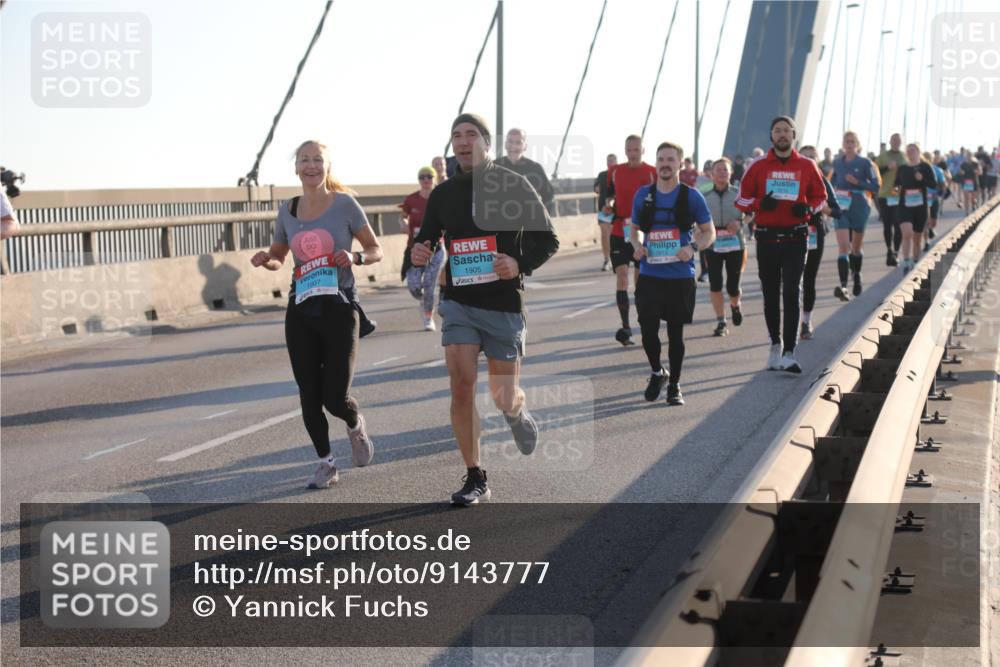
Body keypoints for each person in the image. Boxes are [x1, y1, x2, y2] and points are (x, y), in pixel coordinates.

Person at [411, 113, 559, 505]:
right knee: (461, 385)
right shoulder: (443, 194)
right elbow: (427, 240)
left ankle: (516, 413)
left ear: (486, 144)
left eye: (471, 135)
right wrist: (420, 250)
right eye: (456, 136)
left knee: (502, 394)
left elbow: (548, 239)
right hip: (459, 301)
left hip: (503, 303)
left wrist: (518, 264)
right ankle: (476, 475)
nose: (462, 142)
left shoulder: (513, 183)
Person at [250, 139, 382, 489]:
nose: (311, 165)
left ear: (327, 166)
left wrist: (355, 258)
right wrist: (268, 259)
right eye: (304, 160)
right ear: (296, 168)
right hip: (302, 308)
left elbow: (375, 249)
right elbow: (280, 254)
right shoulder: (287, 210)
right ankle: (326, 463)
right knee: (308, 392)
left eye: (317, 160)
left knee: (334, 397)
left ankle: (354, 424)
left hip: (339, 308)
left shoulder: (345, 205)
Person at [736, 116, 827, 373]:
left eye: (786, 130)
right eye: (777, 130)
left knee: (791, 290)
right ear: (771, 136)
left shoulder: (807, 165)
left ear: (794, 135)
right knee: (771, 294)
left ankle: (789, 352)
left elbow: (821, 197)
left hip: (796, 237)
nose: (782, 134)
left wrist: (807, 208)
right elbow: (740, 200)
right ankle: (775, 346)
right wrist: (758, 205)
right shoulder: (758, 165)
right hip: (766, 237)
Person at [631, 142, 715, 405]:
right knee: (647, 330)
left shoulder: (692, 196)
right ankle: (658, 371)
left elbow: (709, 232)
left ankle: (675, 385)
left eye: (670, 159)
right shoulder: (643, 195)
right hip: (650, 273)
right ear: (655, 164)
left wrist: (692, 247)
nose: (665, 164)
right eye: (660, 159)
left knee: (675, 334)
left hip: (679, 275)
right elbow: (633, 229)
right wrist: (635, 246)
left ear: (680, 164)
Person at [607, 135, 657, 346]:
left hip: (642, 232)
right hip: (619, 230)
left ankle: (644, 321)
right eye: (629, 150)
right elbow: (608, 194)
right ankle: (626, 327)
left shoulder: (651, 172)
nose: (632, 153)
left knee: (640, 281)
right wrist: (608, 203)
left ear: (643, 150)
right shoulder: (615, 170)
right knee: (621, 276)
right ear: (625, 150)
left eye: (636, 149)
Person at [829, 130, 881, 300]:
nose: (849, 144)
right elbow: (831, 184)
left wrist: (858, 182)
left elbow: (876, 187)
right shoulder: (837, 163)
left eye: (852, 141)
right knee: (843, 246)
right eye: (846, 141)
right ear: (843, 145)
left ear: (857, 145)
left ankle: (856, 274)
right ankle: (843, 287)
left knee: (856, 247)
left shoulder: (866, 163)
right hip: (841, 205)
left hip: (859, 204)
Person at [798, 145, 841, 339]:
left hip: (814, 233)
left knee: (808, 279)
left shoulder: (823, 181)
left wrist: (823, 208)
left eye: (812, 158)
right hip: (791, 232)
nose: (809, 161)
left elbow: (836, 210)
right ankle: (790, 322)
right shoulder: (790, 178)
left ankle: (806, 321)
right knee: (790, 280)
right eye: (804, 157)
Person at [703, 157, 746, 336]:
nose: (722, 173)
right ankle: (721, 321)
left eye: (725, 170)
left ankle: (735, 306)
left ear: (731, 173)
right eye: (718, 170)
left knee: (733, 287)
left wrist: (740, 222)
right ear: (711, 175)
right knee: (715, 284)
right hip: (712, 244)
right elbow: (697, 219)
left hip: (735, 243)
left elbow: (750, 214)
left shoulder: (738, 194)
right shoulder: (704, 196)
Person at [400, 166, 444, 331]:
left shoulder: (440, 197)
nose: (426, 180)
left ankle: (428, 316)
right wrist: (403, 223)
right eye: (422, 177)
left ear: (434, 179)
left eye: (429, 177)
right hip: (415, 248)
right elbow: (403, 216)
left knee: (429, 283)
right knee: (414, 287)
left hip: (437, 249)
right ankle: (424, 301)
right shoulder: (411, 199)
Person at [894, 143, 938, 272]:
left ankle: (915, 261)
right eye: (908, 150)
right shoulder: (902, 168)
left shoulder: (925, 167)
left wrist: (922, 179)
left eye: (913, 150)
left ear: (918, 152)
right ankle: (906, 262)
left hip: (920, 207)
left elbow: (934, 185)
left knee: (917, 238)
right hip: (904, 205)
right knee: (907, 233)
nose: (910, 152)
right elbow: (896, 184)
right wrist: (895, 189)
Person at [498, 128, 556, 215]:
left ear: (525, 146)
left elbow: (549, 196)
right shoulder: (493, 166)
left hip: (527, 223)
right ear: (505, 144)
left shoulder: (535, 168)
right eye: (510, 141)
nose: (513, 146)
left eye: (518, 142)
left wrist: (542, 219)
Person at [876, 133, 906, 266]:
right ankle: (889, 250)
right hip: (884, 195)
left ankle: (896, 252)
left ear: (901, 142)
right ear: (890, 141)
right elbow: (875, 173)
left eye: (898, 141)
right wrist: (887, 167)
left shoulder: (904, 157)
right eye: (893, 140)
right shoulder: (882, 156)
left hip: (899, 195)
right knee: (887, 225)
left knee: (898, 225)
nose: (895, 142)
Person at [595, 153, 618, 271]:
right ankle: (606, 259)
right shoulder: (602, 175)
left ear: (616, 162)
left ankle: (623, 256)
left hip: (620, 209)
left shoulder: (620, 173)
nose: (610, 163)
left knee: (622, 235)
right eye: (608, 161)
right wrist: (598, 188)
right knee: (605, 234)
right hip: (604, 208)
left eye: (612, 161)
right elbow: (596, 188)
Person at [923, 151, 948, 250]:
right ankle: (926, 242)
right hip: (923, 197)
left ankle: (931, 229)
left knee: (933, 222)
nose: (927, 160)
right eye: (925, 157)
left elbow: (943, 183)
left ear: (932, 159)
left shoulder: (938, 170)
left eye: (929, 158)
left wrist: (943, 190)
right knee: (925, 221)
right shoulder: (919, 169)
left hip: (934, 197)